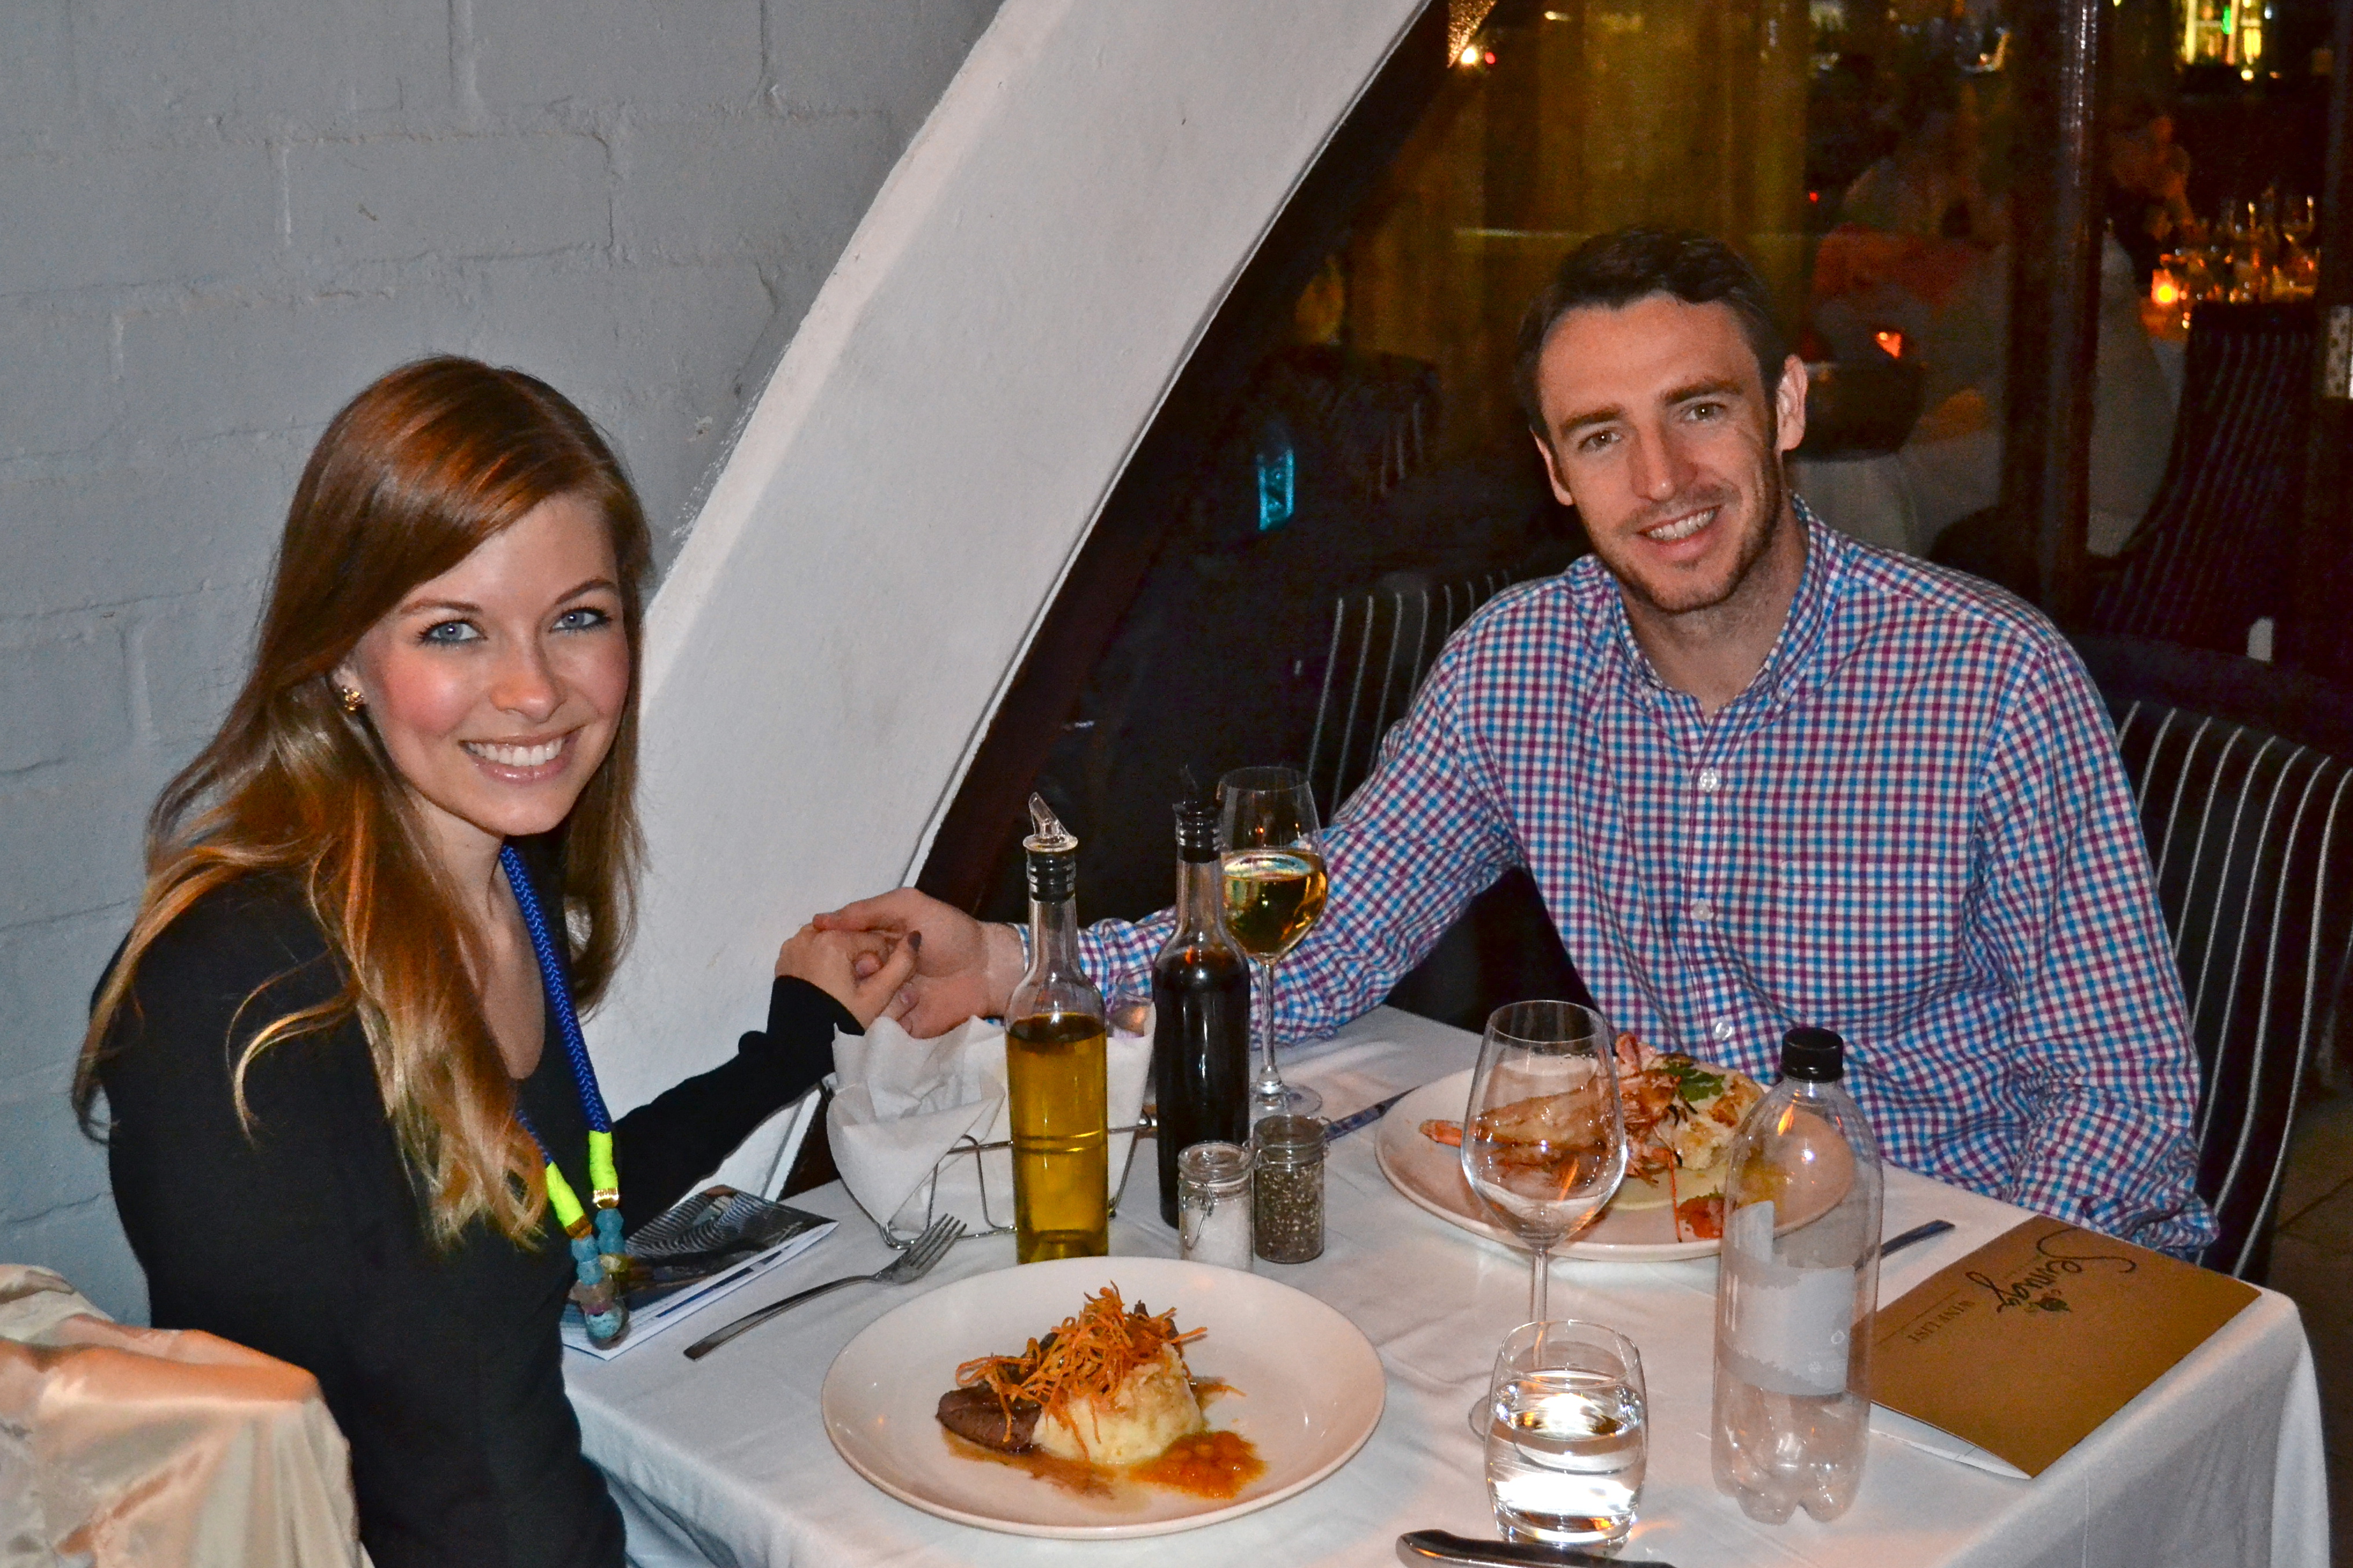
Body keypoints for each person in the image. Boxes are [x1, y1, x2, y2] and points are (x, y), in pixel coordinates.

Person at [823, 227, 2214, 1256]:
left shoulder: (1988, 680)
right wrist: (1010, 962)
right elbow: (1328, 929)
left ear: (1787, 407)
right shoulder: (1523, 667)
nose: (1661, 482)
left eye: (1701, 412)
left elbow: (2126, 1105)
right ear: (1554, 472)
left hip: (1938, 1258)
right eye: (1602, 438)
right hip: (1664, 1255)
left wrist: (1921, 1313)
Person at [75, 357, 914, 1567]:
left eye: (579, 618)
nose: (533, 691)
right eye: (454, 630)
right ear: (341, 658)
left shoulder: (509, 881)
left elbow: (549, 1200)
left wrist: (789, 1046)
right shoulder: (240, 990)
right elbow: (250, 1497)